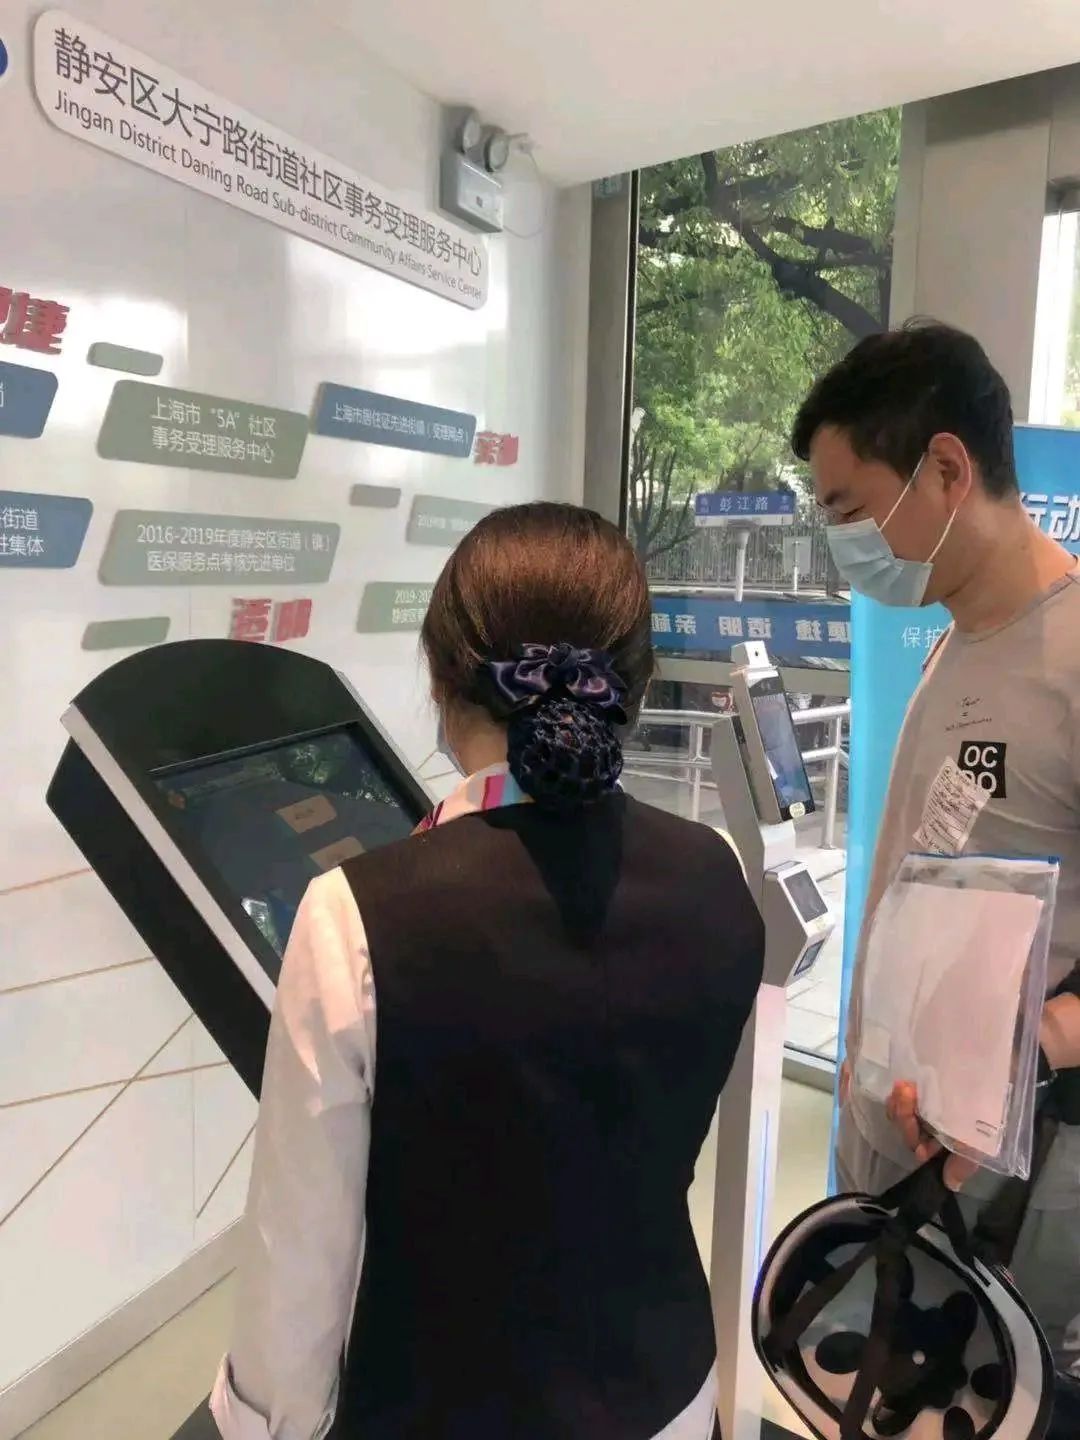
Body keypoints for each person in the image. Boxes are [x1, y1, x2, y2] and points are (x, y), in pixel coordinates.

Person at [210, 502, 765, 1440]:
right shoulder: (716, 874)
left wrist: (271, 1422)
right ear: (634, 686)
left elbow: (297, 1255)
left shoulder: (355, 914)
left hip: (435, 1406)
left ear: (441, 677)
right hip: (666, 1391)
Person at [791, 319, 1080, 1365]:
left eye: (850, 510)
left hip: (999, 1184)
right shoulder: (957, 639)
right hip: (892, 1142)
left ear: (948, 470)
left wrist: (1034, 1048)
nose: (845, 543)